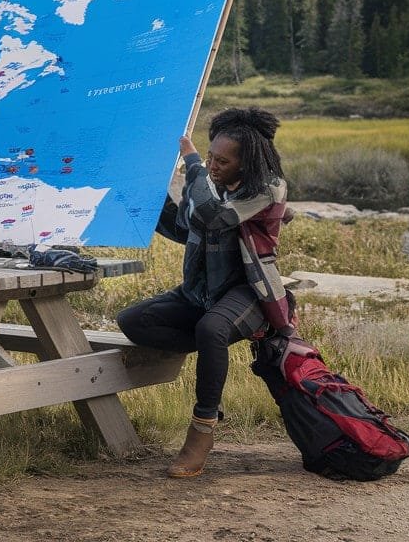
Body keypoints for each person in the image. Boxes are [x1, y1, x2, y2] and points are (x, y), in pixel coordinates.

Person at [116, 108, 293, 478]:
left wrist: (193, 164)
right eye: (210, 156)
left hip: (249, 292)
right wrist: (149, 190)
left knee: (211, 329)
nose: (213, 164)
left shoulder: (268, 188)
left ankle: (202, 429)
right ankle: (213, 339)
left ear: (246, 164)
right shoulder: (213, 184)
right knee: (133, 321)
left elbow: (214, 217)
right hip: (201, 293)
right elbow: (186, 227)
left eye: (222, 161)